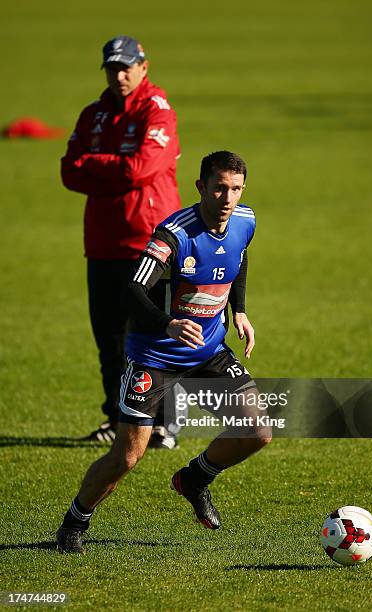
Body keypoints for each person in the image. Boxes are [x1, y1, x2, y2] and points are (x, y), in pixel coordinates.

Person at [56, 151, 272, 553]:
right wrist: (168, 324)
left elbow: (238, 258)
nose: (228, 198)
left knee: (258, 431)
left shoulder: (245, 220)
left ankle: (195, 478)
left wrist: (238, 310)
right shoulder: (173, 234)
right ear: (201, 187)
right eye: (220, 187)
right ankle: (74, 523)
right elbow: (134, 290)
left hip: (207, 350)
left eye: (237, 189)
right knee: (127, 455)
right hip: (153, 355)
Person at [61, 35, 181, 447]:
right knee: (109, 339)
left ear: (144, 67)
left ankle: (164, 423)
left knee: (154, 336)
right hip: (102, 243)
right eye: (113, 68)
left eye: (127, 66)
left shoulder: (157, 111)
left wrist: (94, 162)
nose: (120, 74)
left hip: (150, 243)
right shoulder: (93, 115)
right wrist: (114, 167)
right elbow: (68, 174)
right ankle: (117, 419)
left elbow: (139, 168)